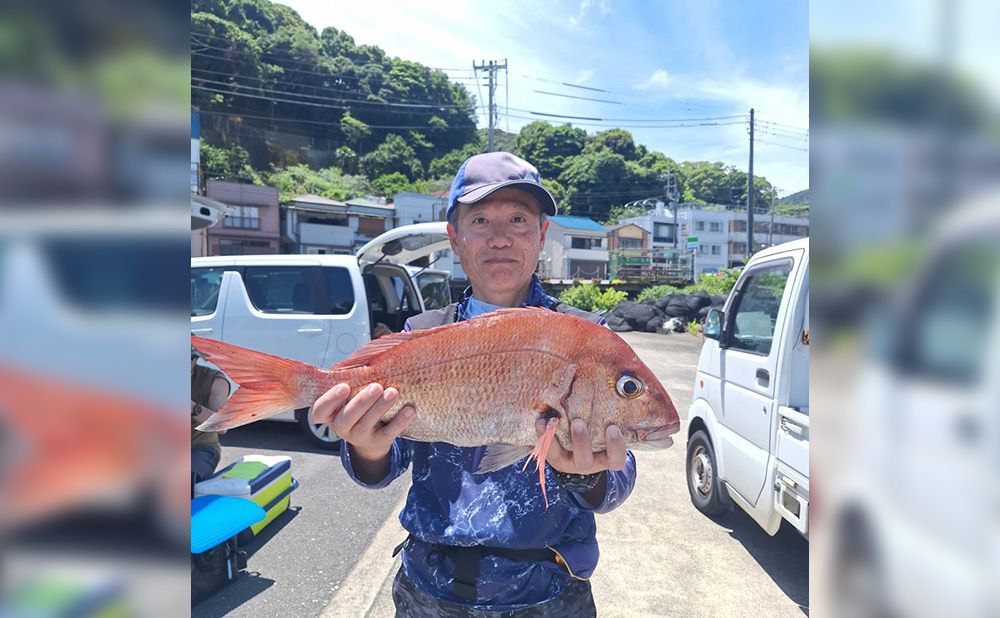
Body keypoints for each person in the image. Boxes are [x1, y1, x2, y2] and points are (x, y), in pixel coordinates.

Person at [311, 152, 635, 616]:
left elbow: (621, 474)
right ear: (455, 238)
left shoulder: (584, 338)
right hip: (428, 593)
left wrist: (587, 473)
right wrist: (367, 446)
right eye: (480, 219)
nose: (500, 238)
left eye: (519, 218)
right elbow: (384, 463)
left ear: (541, 233)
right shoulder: (419, 335)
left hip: (547, 595)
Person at [191, 349, 231, 490]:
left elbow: (222, 426)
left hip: (199, 448)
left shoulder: (215, 381)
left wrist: (192, 407)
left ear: (195, 360)